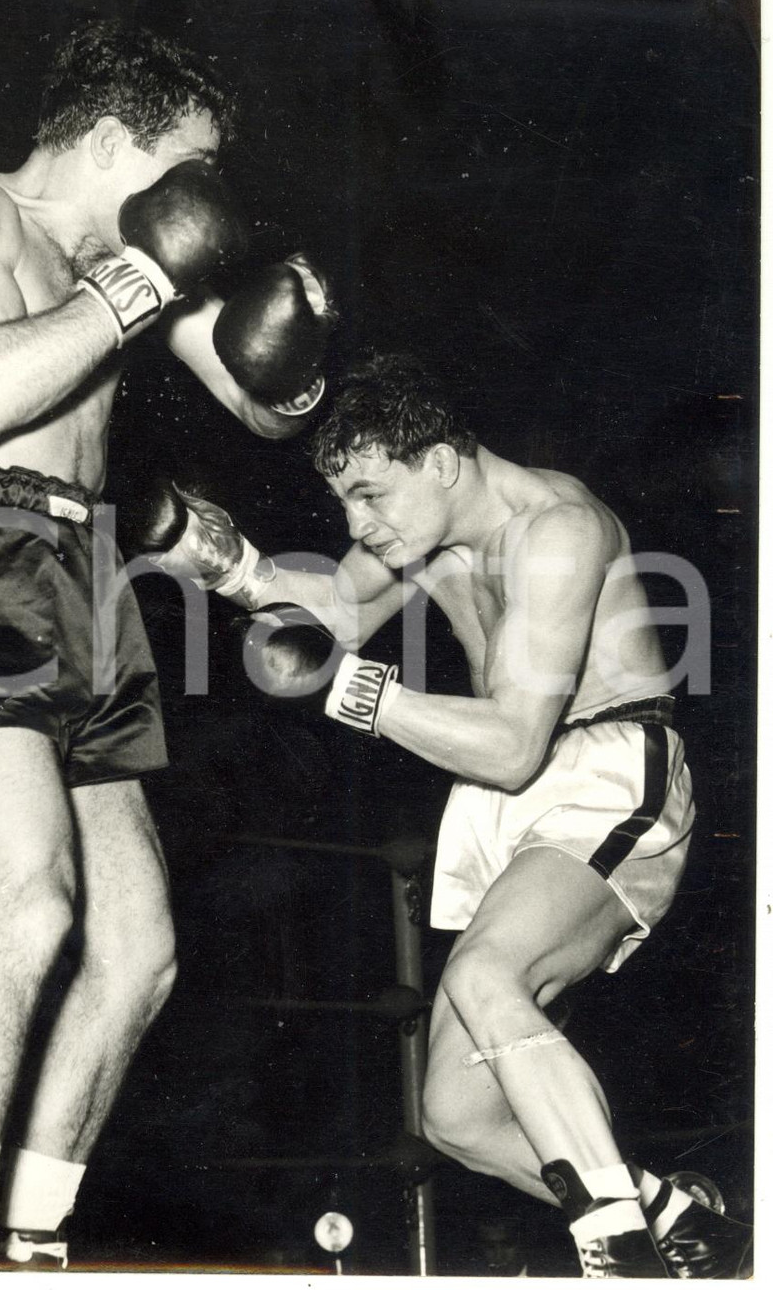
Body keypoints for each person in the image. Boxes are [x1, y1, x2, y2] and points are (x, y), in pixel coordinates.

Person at [0, 19, 333, 1270]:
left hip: (87, 570)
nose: (203, 199)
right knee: (27, 897)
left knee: (139, 948)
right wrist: (137, 284)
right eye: (191, 167)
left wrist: (298, 359)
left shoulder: (125, 258)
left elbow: (253, 398)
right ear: (118, 141)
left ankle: (36, 1236)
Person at [134, 352, 753, 1279]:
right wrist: (220, 561)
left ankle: (617, 1251)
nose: (356, 522)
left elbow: (510, 739)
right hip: (505, 792)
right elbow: (325, 613)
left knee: (487, 974)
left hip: (605, 769)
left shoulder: (558, 529)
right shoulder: (418, 538)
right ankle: (672, 1213)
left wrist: (350, 691)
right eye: (343, 500)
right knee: (458, 1118)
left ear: (443, 462)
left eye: (371, 495)